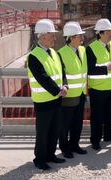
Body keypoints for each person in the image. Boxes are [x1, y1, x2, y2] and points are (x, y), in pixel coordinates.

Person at [27, 19, 67, 170]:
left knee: (54, 130)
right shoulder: (34, 56)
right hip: (43, 101)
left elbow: (61, 72)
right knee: (43, 133)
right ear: (42, 37)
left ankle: (51, 155)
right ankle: (40, 159)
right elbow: (42, 77)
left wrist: (65, 85)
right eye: (51, 36)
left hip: (56, 100)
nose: (54, 38)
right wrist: (58, 91)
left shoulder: (54, 53)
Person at [86, 18, 111, 150]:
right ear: (100, 33)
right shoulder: (91, 49)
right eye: (108, 32)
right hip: (98, 89)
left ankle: (109, 135)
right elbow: (89, 70)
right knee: (97, 116)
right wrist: (106, 69)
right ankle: (95, 140)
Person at [57, 21, 88, 158]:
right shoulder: (61, 53)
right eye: (79, 36)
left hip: (81, 93)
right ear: (70, 38)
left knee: (77, 123)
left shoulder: (82, 50)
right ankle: (65, 148)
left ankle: (75, 144)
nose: (82, 38)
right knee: (65, 124)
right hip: (68, 96)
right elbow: (61, 75)